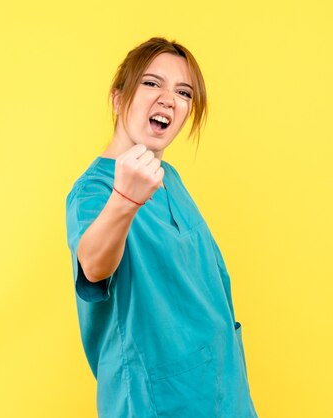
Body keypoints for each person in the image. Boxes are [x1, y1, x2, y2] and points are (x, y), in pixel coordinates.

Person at [65, 37, 258, 417]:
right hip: (158, 400)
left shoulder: (170, 178)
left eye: (183, 92)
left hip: (221, 389)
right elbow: (93, 264)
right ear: (118, 98)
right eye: (152, 83)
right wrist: (125, 199)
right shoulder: (94, 190)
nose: (168, 99)